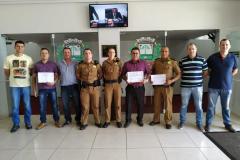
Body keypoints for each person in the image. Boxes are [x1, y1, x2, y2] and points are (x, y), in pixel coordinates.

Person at [205, 38, 238, 132]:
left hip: (227, 88)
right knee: (211, 107)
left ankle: (227, 124)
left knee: (226, 108)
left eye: (227, 44)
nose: (225, 46)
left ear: (229, 46)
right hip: (213, 87)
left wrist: (229, 75)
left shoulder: (233, 57)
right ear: (220, 46)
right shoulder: (212, 57)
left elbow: (235, 69)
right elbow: (206, 69)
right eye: (223, 45)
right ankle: (208, 124)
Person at [3, 40, 33, 133]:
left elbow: (31, 71)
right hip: (14, 86)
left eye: (21, 46)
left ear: (24, 48)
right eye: (18, 46)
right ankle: (16, 124)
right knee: (15, 106)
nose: (20, 48)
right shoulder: (8, 58)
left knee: (27, 105)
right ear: (15, 47)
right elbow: (6, 71)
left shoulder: (28, 58)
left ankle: (28, 122)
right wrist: (13, 78)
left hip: (26, 85)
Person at [178, 43, 208, 131]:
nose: (191, 50)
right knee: (184, 105)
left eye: (193, 49)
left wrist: (197, 78)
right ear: (187, 50)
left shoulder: (202, 59)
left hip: (198, 87)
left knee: (198, 106)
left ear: (196, 49)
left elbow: (205, 73)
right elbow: (180, 72)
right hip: (185, 87)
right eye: (190, 49)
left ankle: (199, 123)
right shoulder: (182, 60)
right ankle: (182, 122)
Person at [149, 47, 180, 129]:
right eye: (162, 51)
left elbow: (179, 74)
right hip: (157, 87)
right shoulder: (156, 62)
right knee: (156, 104)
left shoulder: (173, 62)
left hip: (168, 87)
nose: (164, 53)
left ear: (168, 52)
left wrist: (172, 80)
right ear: (160, 52)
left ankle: (168, 121)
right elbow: (151, 72)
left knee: (168, 105)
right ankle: (156, 120)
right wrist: (151, 79)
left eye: (166, 51)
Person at [32, 48, 61, 130]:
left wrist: (54, 82)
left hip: (52, 88)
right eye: (42, 53)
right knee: (42, 106)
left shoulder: (53, 64)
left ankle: (56, 120)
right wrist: (34, 89)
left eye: (46, 53)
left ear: (48, 55)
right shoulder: (36, 65)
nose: (44, 54)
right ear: (40, 55)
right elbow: (33, 78)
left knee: (55, 105)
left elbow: (57, 75)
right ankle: (43, 122)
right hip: (41, 89)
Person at [121, 47, 150, 128]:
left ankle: (139, 119)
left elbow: (148, 73)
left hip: (140, 87)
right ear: (131, 54)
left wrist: (146, 79)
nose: (135, 54)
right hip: (130, 87)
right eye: (133, 53)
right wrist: (126, 79)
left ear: (139, 54)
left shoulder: (144, 63)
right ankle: (128, 120)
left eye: (136, 53)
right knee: (128, 105)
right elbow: (122, 74)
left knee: (140, 104)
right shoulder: (126, 64)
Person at [76, 48, 102, 130]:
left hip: (95, 88)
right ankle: (84, 122)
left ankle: (97, 121)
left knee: (96, 106)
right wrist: (82, 80)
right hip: (85, 89)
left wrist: (97, 80)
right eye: (86, 53)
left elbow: (100, 74)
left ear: (92, 54)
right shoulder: (80, 65)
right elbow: (77, 75)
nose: (88, 55)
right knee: (85, 106)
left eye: (89, 53)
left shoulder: (97, 64)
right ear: (84, 55)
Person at [58, 47, 81, 127]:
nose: (67, 54)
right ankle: (68, 119)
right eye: (65, 52)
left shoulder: (76, 63)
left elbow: (79, 74)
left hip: (74, 86)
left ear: (70, 53)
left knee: (77, 104)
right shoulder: (59, 63)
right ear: (63, 54)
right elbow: (57, 74)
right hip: (64, 86)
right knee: (65, 104)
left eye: (68, 52)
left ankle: (78, 119)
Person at [102, 47, 122, 128]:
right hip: (107, 85)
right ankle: (107, 120)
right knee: (107, 103)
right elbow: (102, 74)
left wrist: (118, 81)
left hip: (116, 84)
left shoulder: (119, 62)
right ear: (108, 53)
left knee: (118, 103)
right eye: (110, 52)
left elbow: (121, 71)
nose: (111, 53)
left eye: (113, 52)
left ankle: (118, 120)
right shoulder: (104, 63)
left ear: (115, 53)